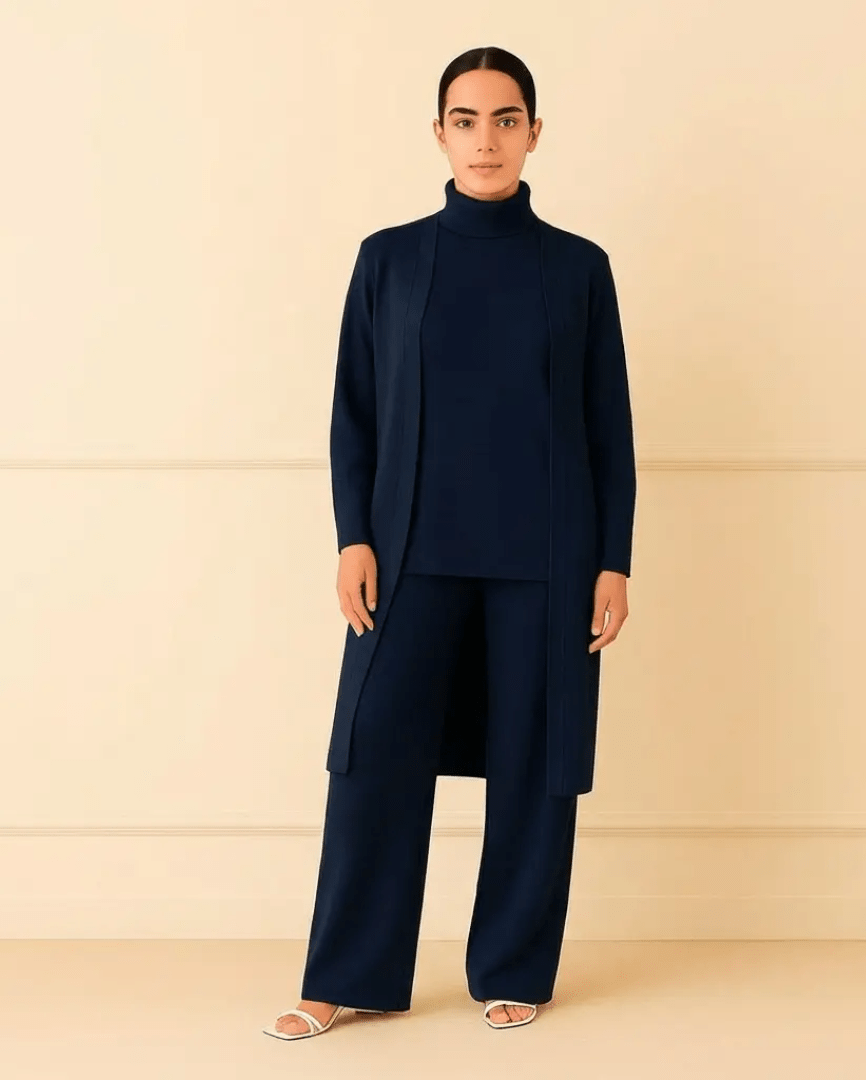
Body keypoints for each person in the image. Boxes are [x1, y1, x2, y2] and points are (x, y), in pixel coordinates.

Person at [265, 44, 636, 1041]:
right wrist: (353, 537)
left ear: (534, 133)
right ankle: (344, 975)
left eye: (505, 119)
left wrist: (614, 559)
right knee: (373, 759)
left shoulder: (580, 268)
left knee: (533, 766)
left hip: (547, 561)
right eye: (466, 120)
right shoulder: (388, 259)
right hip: (409, 553)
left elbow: (608, 427)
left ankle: (514, 968)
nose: (486, 139)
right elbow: (354, 413)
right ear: (439, 134)